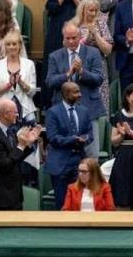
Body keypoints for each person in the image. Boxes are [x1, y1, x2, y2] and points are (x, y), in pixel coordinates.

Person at [46, 22, 105, 157]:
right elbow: (50, 82)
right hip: (63, 111)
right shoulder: (55, 56)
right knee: (65, 154)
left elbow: (99, 79)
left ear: (80, 36)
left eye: (74, 38)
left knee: (91, 155)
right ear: (63, 39)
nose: (71, 41)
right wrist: (68, 74)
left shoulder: (93, 52)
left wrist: (81, 72)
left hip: (88, 108)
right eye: (68, 38)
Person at [0, 98, 42, 210]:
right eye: (15, 112)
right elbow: (5, 164)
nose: (17, 115)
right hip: (0, 197)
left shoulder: (8, 130)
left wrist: (28, 144)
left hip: (13, 195)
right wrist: (21, 145)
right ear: (5, 114)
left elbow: (15, 157)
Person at [45, 82, 94, 210]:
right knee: (63, 204)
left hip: (79, 162)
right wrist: (72, 139)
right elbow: (52, 137)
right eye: (76, 92)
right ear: (66, 94)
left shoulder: (84, 111)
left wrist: (85, 138)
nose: (80, 95)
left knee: (79, 202)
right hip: (60, 163)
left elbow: (90, 133)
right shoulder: (53, 112)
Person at [43, 0, 92, 73]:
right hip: (57, 27)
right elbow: (51, 7)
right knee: (55, 64)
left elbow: (86, 9)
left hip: (77, 28)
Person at [70, 0, 113, 109]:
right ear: (83, 10)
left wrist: (95, 34)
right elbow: (71, 48)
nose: (94, 13)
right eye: (91, 10)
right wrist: (87, 39)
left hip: (99, 68)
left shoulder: (101, 25)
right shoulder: (74, 25)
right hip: (80, 67)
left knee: (100, 103)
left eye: (96, 10)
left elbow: (108, 50)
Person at [0, 30, 37, 124]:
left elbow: (32, 92)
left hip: (26, 112)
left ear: (20, 45)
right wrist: (8, 85)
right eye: (8, 44)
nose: (11, 47)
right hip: (3, 112)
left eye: (14, 44)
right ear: (5, 46)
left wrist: (21, 83)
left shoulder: (29, 64)